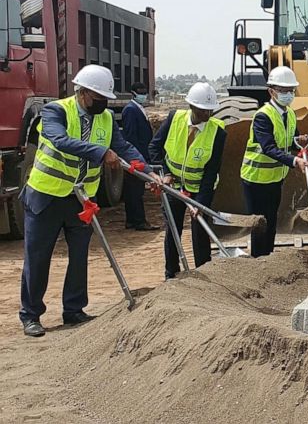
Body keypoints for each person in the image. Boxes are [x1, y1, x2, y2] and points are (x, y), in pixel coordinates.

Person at [19, 65, 148, 337]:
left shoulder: (106, 118)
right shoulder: (56, 111)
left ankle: (74, 310)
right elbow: (59, 140)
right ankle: (31, 315)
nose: (104, 103)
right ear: (84, 93)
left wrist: (147, 172)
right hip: (47, 196)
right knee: (38, 257)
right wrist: (101, 153)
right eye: (99, 98)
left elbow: (123, 147)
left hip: (81, 199)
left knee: (79, 256)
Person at [150, 82, 226, 278]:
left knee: (200, 231)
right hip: (174, 187)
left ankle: (203, 274)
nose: (207, 115)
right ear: (191, 107)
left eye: (210, 111)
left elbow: (211, 172)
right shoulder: (174, 119)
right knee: (173, 231)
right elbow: (154, 148)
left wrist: (199, 202)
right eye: (202, 111)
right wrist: (165, 173)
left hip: (200, 188)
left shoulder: (218, 132)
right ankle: (171, 274)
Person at [240, 67, 308, 257]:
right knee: (259, 223)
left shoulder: (290, 115)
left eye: (291, 90)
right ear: (271, 91)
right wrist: (295, 161)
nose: (288, 94)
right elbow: (268, 147)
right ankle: (258, 260)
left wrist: (300, 141)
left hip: (275, 178)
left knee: (271, 221)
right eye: (283, 90)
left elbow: (290, 142)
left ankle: (268, 258)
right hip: (255, 179)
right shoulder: (263, 116)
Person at [121, 82, 157, 231]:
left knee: (134, 189)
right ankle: (138, 221)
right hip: (136, 156)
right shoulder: (130, 110)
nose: (143, 94)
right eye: (140, 92)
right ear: (133, 93)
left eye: (144, 91)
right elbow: (130, 136)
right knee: (135, 190)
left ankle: (132, 220)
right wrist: (137, 156)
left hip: (139, 154)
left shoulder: (138, 108)